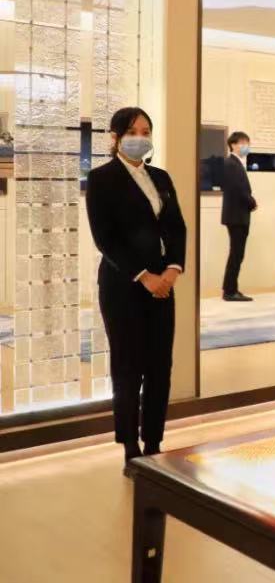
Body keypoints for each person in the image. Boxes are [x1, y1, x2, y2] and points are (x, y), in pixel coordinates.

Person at [86, 108, 186, 475]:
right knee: (128, 367)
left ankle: (154, 443)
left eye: (146, 131)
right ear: (115, 138)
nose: (140, 138)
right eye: (132, 132)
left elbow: (176, 228)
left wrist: (172, 269)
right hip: (123, 285)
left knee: (160, 365)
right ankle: (130, 446)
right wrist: (144, 276)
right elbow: (105, 238)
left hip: (163, 285)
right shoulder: (102, 179)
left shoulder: (160, 177)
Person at [222, 131, 256, 302]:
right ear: (233, 144)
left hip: (238, 215)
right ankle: (230, 291)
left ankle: (230, 288)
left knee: (237, 254)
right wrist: (252, 202)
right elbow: (239, 190)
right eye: (243, 143)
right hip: (236, 216)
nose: (246, 146)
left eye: (247, 143)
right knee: (236, 254)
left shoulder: (235, 163)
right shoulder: (231, 164)